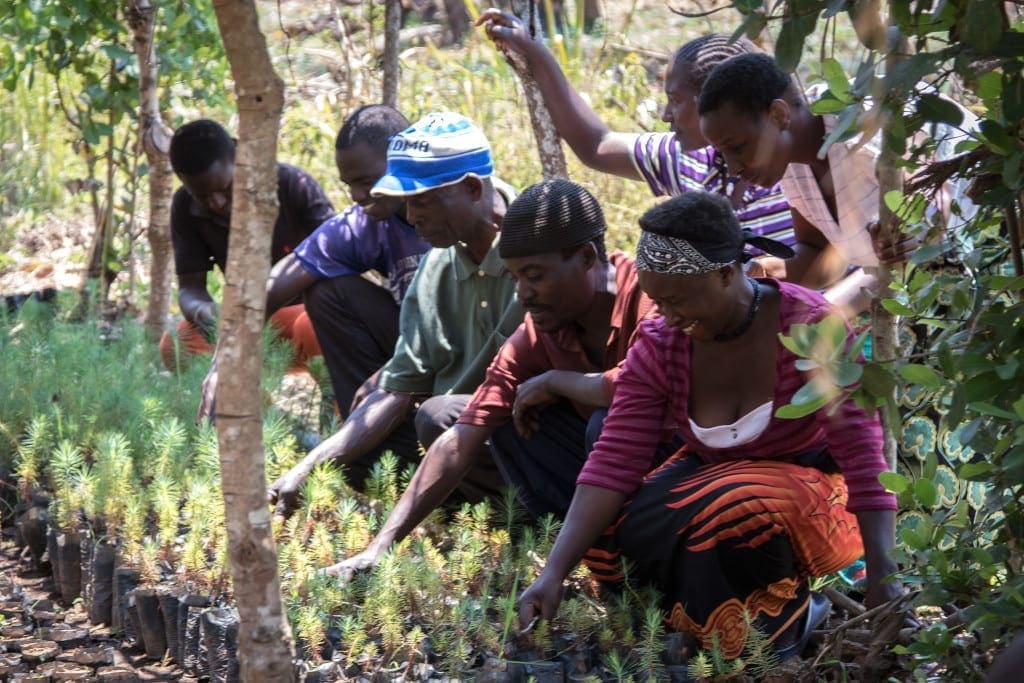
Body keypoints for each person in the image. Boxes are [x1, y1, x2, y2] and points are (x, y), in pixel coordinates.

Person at [517, 192, 901, 660]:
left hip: (816, 501)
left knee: (733, 510)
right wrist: (554, 572)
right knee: (606, 534)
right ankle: (693, 620)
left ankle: (781, 627)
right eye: (658, 301)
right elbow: (614, 459)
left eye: (678, 300)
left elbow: (863, 456)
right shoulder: (662, 341)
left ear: (725, 273)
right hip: (714, 483)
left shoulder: (811, 328)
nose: (670, 316)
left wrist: (885, 574)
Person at [326, 178, 672, 579]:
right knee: (460, 417)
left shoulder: (652, 297)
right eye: (514, 279)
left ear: (585, 257)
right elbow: (462, 436)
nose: (523, 293)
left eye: (535, 275)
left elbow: (633, 388)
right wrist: (379, 546)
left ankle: (644, 557)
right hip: (602, 478)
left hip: (678, 475)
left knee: (605, 421)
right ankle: (585, 546)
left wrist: (554, 381)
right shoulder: (540, 328)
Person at [476, 15, 856, 288]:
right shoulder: (686, 161)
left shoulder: (784, 161)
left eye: (675, 100)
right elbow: (595, 146)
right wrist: (537, 53)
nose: (665, 115)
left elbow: (833, 260)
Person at [268, 111, 522, 508]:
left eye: (421, 202)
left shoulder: (535, 249)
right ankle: (461, 508)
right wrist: (308, 467)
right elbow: (397, 390)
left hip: (522, 434)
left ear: (472, 188)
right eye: (407, 203)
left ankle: (520, 514)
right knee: (355, 456)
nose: (412, 217)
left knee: (438, 416)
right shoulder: (436, 263)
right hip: (452, 429)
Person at [196, 105, 432, 421]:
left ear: (401, 159)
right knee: (328, 292)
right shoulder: (366, 224)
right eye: (349, 184)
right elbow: (274, 285)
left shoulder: (453, 204)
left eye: (365, 180)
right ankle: (368, 433)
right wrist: (224, 362)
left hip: (468, 350)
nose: (357, 195)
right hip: (411, 347)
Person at [697, 53, 923, 316]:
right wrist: (758, 271)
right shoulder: (791, 156)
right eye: (723, 154)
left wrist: (911, 238)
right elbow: (816, 248)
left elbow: (935, 221)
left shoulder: (867, 133)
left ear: (779, 115)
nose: (734, 169)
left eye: (737, 147)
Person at [161, 119, 334, 370]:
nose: (217, 202)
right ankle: (258, 408)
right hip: (242, 322)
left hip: (306, 317)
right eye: (202, 196)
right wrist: (202, 310)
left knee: (312, 328)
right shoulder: (184, 207)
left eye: (226, 188)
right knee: (178, 344)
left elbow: (339, 261)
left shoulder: (291, 185)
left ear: (240, 158)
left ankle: (336, 407)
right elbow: (190, 288)